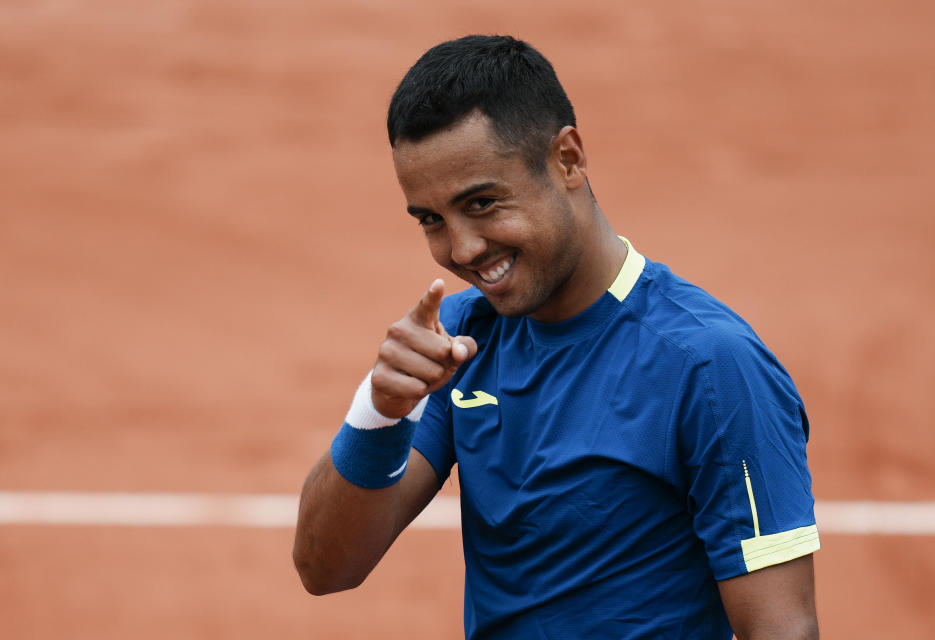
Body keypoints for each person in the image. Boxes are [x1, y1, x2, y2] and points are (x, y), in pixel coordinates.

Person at [293, 35, 820, 639]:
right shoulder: (462, 337)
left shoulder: (711, 367)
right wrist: (379, 414)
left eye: (484, 203)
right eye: (432, 220)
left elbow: (783, 630)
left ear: (567, 159)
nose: (461, 249)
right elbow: (324, 567)